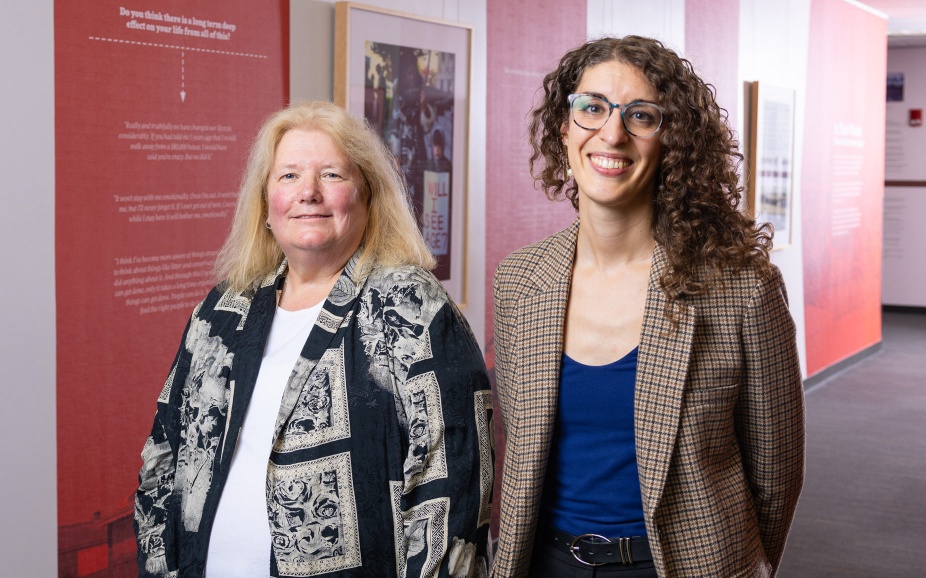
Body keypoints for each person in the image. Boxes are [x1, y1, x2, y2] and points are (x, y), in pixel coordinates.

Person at [133, 101, 494, 578]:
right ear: (265, 205)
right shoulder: (223, 311)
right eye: (288, 177)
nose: (308, 193)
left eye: (331, 175)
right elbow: (162, 458)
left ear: (367, 195)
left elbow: (453, 487)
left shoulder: (408, 305)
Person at [491, 36, 804, 578]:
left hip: (683, 567)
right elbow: (519, 454)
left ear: (671, 139)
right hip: (545, 563)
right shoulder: (520, 281)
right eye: (591, 108)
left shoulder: (741, 289)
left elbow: (776, 477)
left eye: (640, 116)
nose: (611, 133)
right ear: (564, 127)